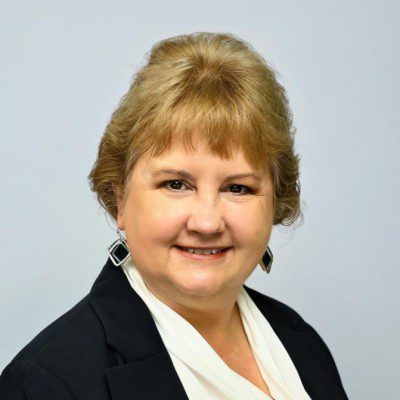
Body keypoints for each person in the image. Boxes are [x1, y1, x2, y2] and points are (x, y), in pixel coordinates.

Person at [0, 32, 349, 400]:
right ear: (119, 199)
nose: (207, 222)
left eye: (238, 188)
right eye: (176, 184)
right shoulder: (46, 384)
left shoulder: (299, 341)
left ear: (275, 200)